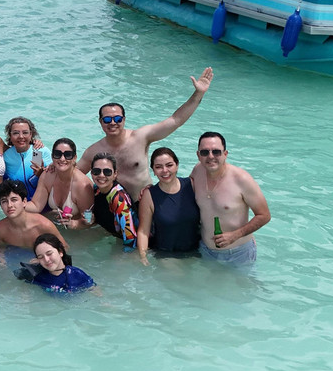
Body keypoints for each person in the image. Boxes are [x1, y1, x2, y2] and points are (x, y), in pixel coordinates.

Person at [79, 67, 214, 201]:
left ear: (124, 120)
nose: (113, 123)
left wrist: (198, 93)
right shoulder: (93, 151)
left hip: (144, 203)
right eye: (107, 119)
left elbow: (175, 120)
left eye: (118, 119)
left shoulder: (140, 137)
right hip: (113, 207)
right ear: (100, 121)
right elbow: (74, 174)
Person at [189, 132, 271, 264]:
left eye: (216, 152)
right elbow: (183, 193)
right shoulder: (197, 171)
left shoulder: (242, 179)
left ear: (225, 154)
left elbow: (264, 215)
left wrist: (235, 235)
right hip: (206, 250)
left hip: (238, 253)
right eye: (205, 152)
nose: (211, 156)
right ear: (198, 155)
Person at [136, 147, 200, 266]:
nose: (165, 170)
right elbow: (143, 231)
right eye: (158, 167)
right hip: (165, 255)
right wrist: (143, 257)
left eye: (169, 165)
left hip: (195, 252)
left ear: (177, 165)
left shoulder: (191, 185)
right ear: (153, 171)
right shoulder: (149, 195)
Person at [26, 138, 95, 225]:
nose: (62, 159)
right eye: (57, 154)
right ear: (52, 157)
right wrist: (17, 204)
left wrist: (73, 224)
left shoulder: (82, 185)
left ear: (74, 158)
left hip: (79, 230)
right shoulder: (47, 175)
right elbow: (36, 206)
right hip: (56, 224)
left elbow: (89, 221)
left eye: (68, 155)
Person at [0, 180, 66, 252]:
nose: (9, 205)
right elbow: (1, 252)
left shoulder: (43, 225)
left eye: (14, 200)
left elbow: (64, 248)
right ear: (0, 205)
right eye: (4, 201)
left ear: (24, 202)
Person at [87, 153, 138, 251]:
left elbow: (131, 239)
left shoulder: (119, 199)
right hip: (113, 237)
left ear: (115, 174)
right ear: (91, 173)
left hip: (135, 245)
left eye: (107, 172)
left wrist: (124, 257)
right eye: (96, 171)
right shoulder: (96, 190)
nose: (101, 175)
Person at [20, 234, 96, 294]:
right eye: (41, 257)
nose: (46, 260)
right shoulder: (37, 275)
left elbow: (94, 289)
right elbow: (23, 285)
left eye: (49, 254)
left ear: (60, 252)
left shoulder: (76, 275)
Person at [2, 117, 51, 200]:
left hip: (42, 201)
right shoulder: (6, 156)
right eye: (16, 133)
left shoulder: (39, 151)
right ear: (10, 135)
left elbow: (56, 179)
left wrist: (41, 175)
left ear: (31, 134)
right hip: (19, 204)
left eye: (25, 132)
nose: (21, 136)